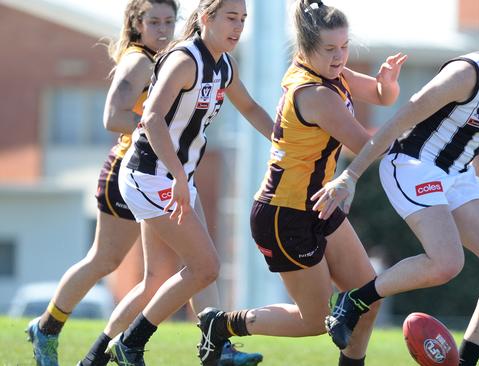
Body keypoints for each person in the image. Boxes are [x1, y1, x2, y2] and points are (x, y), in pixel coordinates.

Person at [312, 7, 479, 366]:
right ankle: (354, 300)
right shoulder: (465, 74)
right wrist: (351, 175)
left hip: (457, 175)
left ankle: (465, 361)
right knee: (446, 264)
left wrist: (477, 182)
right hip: (412, 165)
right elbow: (399, 119)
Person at [195, 1, 407, 366]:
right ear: (306, 48)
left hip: (319, 204)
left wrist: (387, 84)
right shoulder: (316, 94)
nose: (340, 56)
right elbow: (367, 146)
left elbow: (380, 95)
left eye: (344, 47)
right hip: (284, 215)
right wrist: (424, 144)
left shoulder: (332, 74)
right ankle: (223, 325)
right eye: (330, 49)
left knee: (367, 297)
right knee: (314, 321)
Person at [108, 0, 274, 364]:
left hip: (175, 177)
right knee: (205, 266)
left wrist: (286, 142)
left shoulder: (224, 65)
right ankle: (130, 343)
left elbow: (249, 107)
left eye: (243, 19)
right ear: (205, 18)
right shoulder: (185, 60)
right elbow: (150, 119)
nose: (239, 26)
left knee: (196, 268)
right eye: (231, 17)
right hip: (149, 177)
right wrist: (180, 177)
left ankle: (216, 349)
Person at [26, 1, 179, 365]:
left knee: (164, 274)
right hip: (126, 170)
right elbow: (112, 116)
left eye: (169, 21)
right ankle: (47, 329)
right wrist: (167, 134)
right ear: (137, 24)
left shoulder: (171, 58)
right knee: (105, 260)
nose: (162, 29)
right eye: (154, 21)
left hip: (157, 175)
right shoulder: (139, 61)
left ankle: (106, 352)